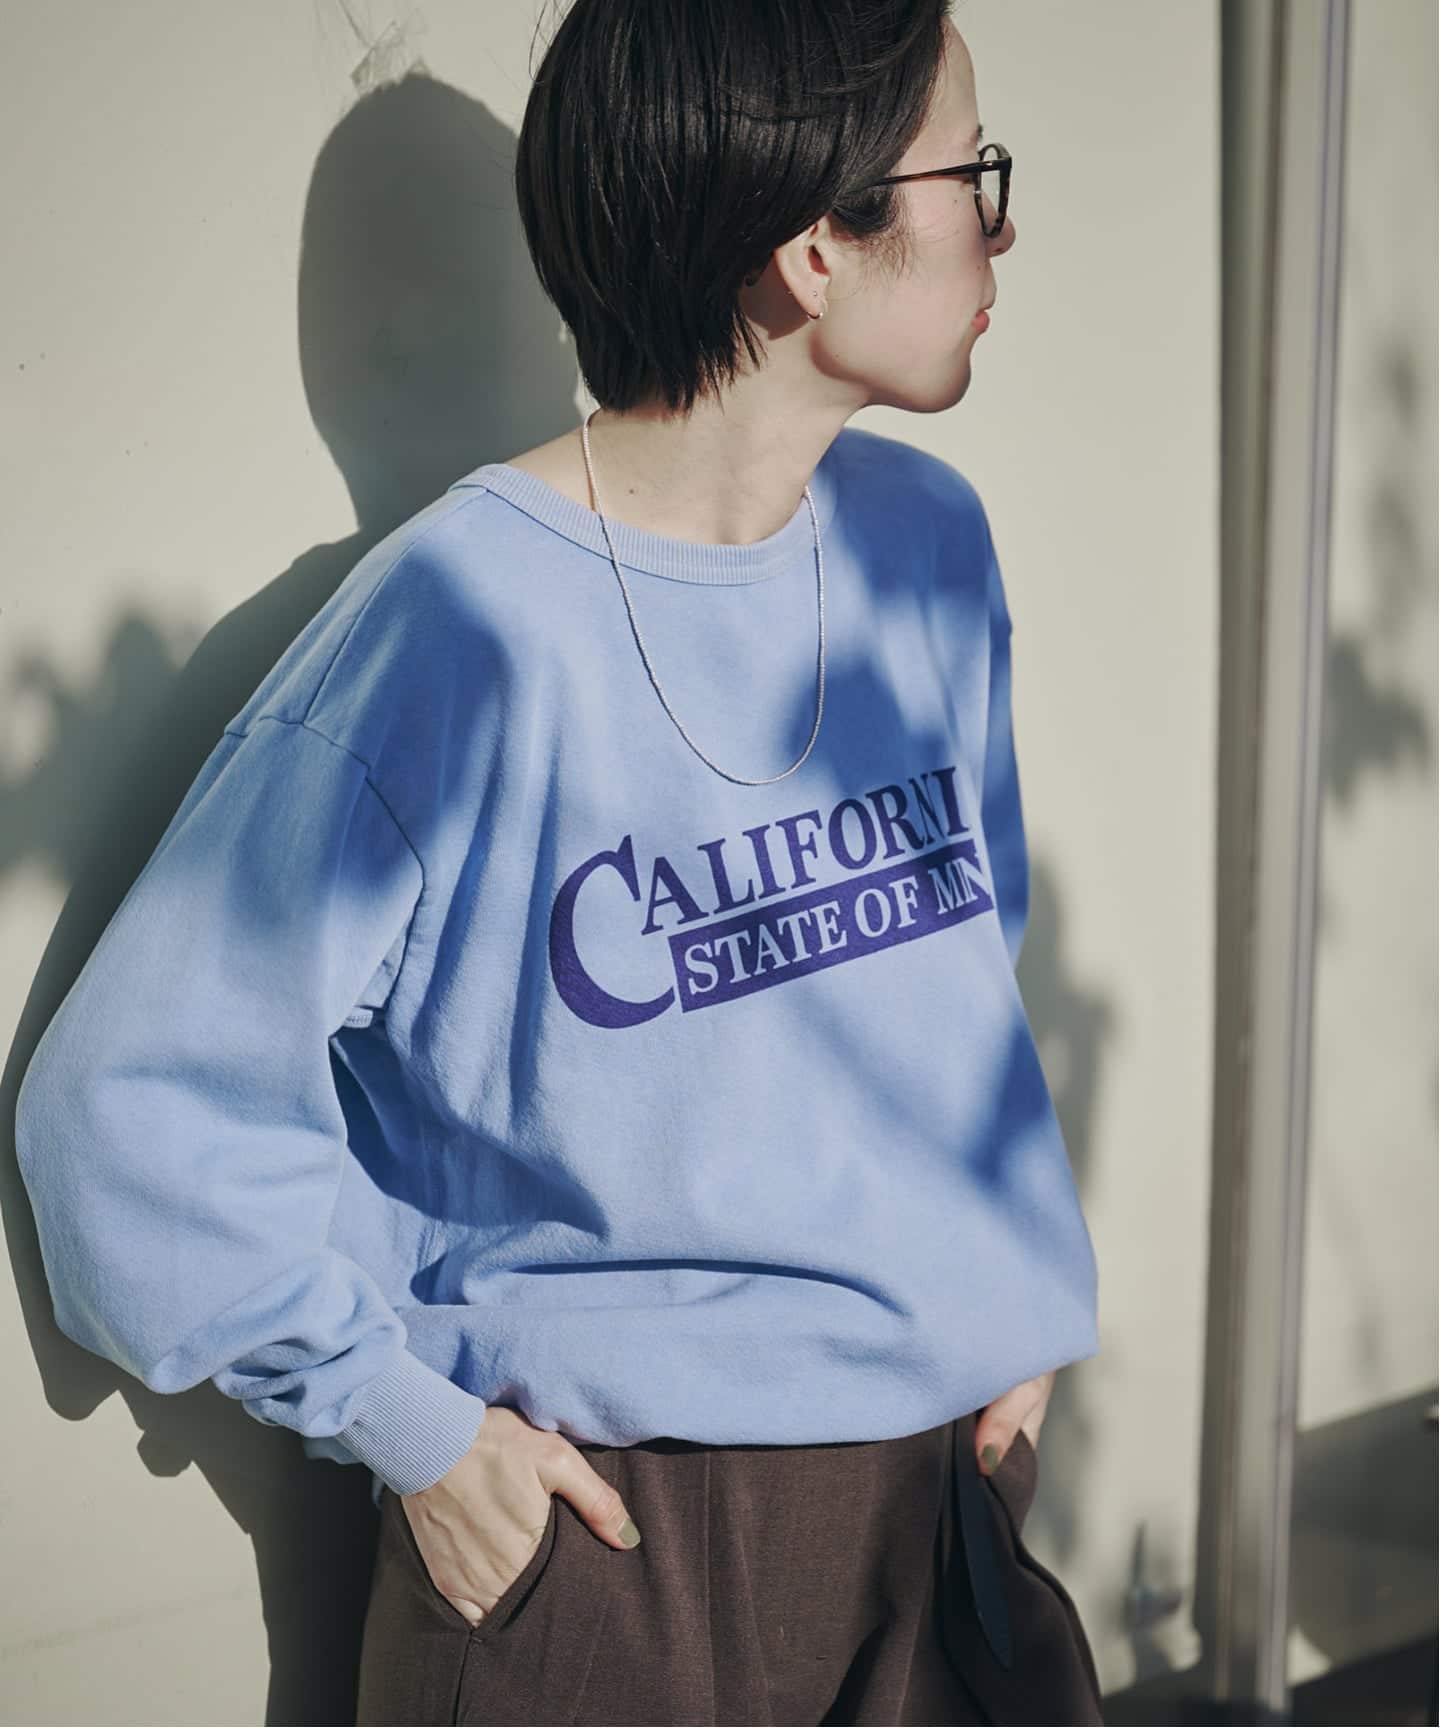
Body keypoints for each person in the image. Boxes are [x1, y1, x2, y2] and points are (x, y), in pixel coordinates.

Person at [14, 0, 1105, 1722]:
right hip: (614, 1564)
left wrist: (998, 1296)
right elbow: (123, 1117)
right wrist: (411, 1431)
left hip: (942, 1522)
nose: (1003, 223)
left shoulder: (929, 550)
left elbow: (962, 979)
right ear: (815, 246)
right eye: (971, 173)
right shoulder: (457, 630)